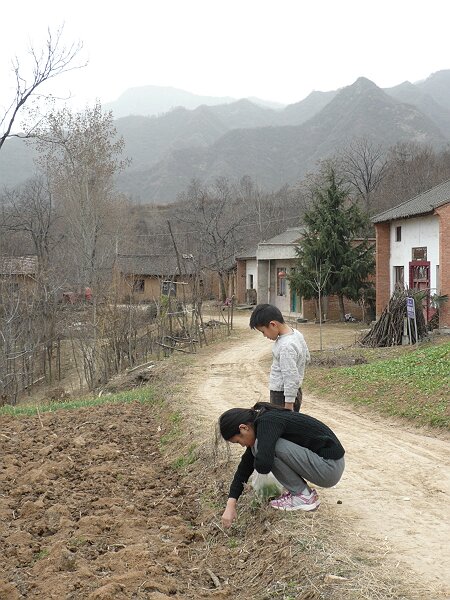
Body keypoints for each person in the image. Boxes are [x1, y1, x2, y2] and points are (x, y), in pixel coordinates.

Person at [219, 402, 345, 528]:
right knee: (260, 448)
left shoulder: (267, 422)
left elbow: (264, 465)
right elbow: (244, 468)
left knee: (263, 449)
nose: (242, 445)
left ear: (244, 428)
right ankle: (300, 494)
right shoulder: (262, 423)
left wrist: (258, 457)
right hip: (327, 465)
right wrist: (231, 504)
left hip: (329, 467)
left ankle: (303, 496)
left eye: (238, 441)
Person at [250, 303, 310, 411]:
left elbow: (290, 377)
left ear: (273, 324)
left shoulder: (286, 346)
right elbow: (306, 357)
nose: (264, 335)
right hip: (293, 392)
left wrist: (288, 406)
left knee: (282, 426)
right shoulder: (296, 334)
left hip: (283, 396)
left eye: (263, 331)